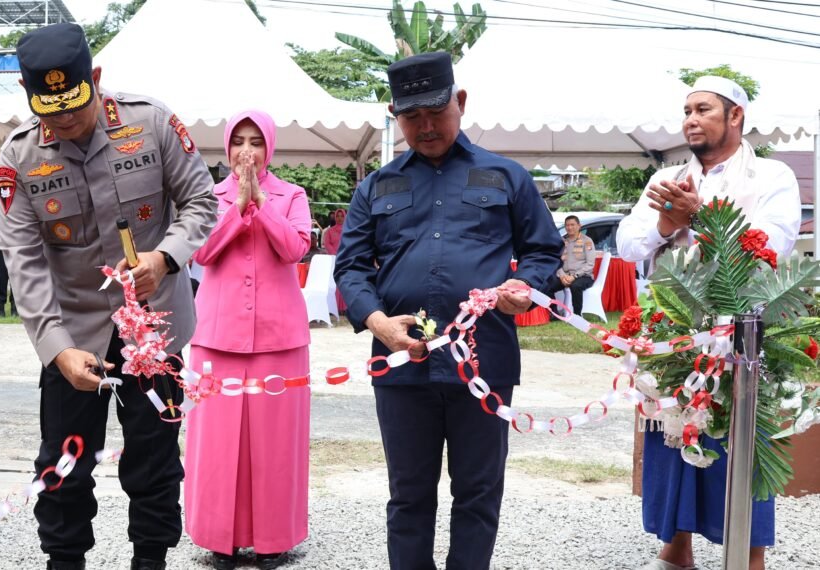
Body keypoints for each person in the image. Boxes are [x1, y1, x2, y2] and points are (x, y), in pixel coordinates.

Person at [0, 23, 217, 570]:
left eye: (74, 104)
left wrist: (164, 257)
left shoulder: (153, 123)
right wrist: (55, 348)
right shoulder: (20, 155)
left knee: (155, 459)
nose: (65, 120)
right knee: (63, 462)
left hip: (154, 329)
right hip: (74, 335)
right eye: (51, 110)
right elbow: (23, 262)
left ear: (94, 80)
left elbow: (201, 204)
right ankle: (64, 561)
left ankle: (151, 560)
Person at [334, 52, 561, 570]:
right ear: (396, 115)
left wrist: (524, 285)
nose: (426, 126)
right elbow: (350, 267)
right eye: (412, 117)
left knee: (478, 496)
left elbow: (543, 250)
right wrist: (376, 321)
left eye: (436, 111)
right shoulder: (377, 187)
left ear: (460, 102)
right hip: (401, 364)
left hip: (485, 362)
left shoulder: (506, 177)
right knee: (408, 496)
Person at [616, 76, 800, 570]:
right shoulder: (666, 179)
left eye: (702, 109)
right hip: (672, 333)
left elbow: (771, 247)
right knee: (671, 435)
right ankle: (676, 551)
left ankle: (749, 553)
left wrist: (700, 219)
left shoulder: (772, 176)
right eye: (686, 111)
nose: (690, 119)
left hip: (741, 335)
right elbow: (629, 246)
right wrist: (666, 225)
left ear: (735, 116)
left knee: (740, 440)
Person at [183, 110, 312, 570]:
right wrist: (238, 208)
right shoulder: (208, 197)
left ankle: (275, 538)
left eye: (256, 142)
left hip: (281, 342)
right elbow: (201, 252)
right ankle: (219, 537)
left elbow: (295, 249)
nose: (247, 152)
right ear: (227, 147)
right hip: (217, 339)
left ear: (269, 147)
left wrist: (264, 204)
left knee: (276, 443)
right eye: (239, 141)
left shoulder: (292, 196)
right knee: (218, 445)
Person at [547, 215, 595, 316]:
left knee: (575, 286)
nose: (569, 227)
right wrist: (562, 275)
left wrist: (574, 276)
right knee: (547, 285)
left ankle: (576, 315)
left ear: (579, 226)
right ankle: (554, 313)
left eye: (572, 225)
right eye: (567, 225)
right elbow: (556, 261)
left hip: (583, 276)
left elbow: (590, 264)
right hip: (564, 276)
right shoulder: (562, 242)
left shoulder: (587, 241)